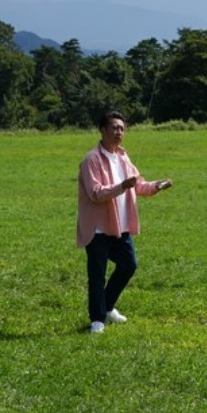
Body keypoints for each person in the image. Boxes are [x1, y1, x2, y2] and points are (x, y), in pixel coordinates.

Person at [77, 110, 173, 334]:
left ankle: (107, 307)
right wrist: (122, 186)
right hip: (98, 227)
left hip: (120, 226)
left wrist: (157, 186)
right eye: (114, 128)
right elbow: (96, 193)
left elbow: (138, 185)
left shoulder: (123, 157)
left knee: (129, 265)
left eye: (122, 128)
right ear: (102, 130)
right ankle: (97, 320)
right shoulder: (91, 159)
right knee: (97, 275)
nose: (119, 132)